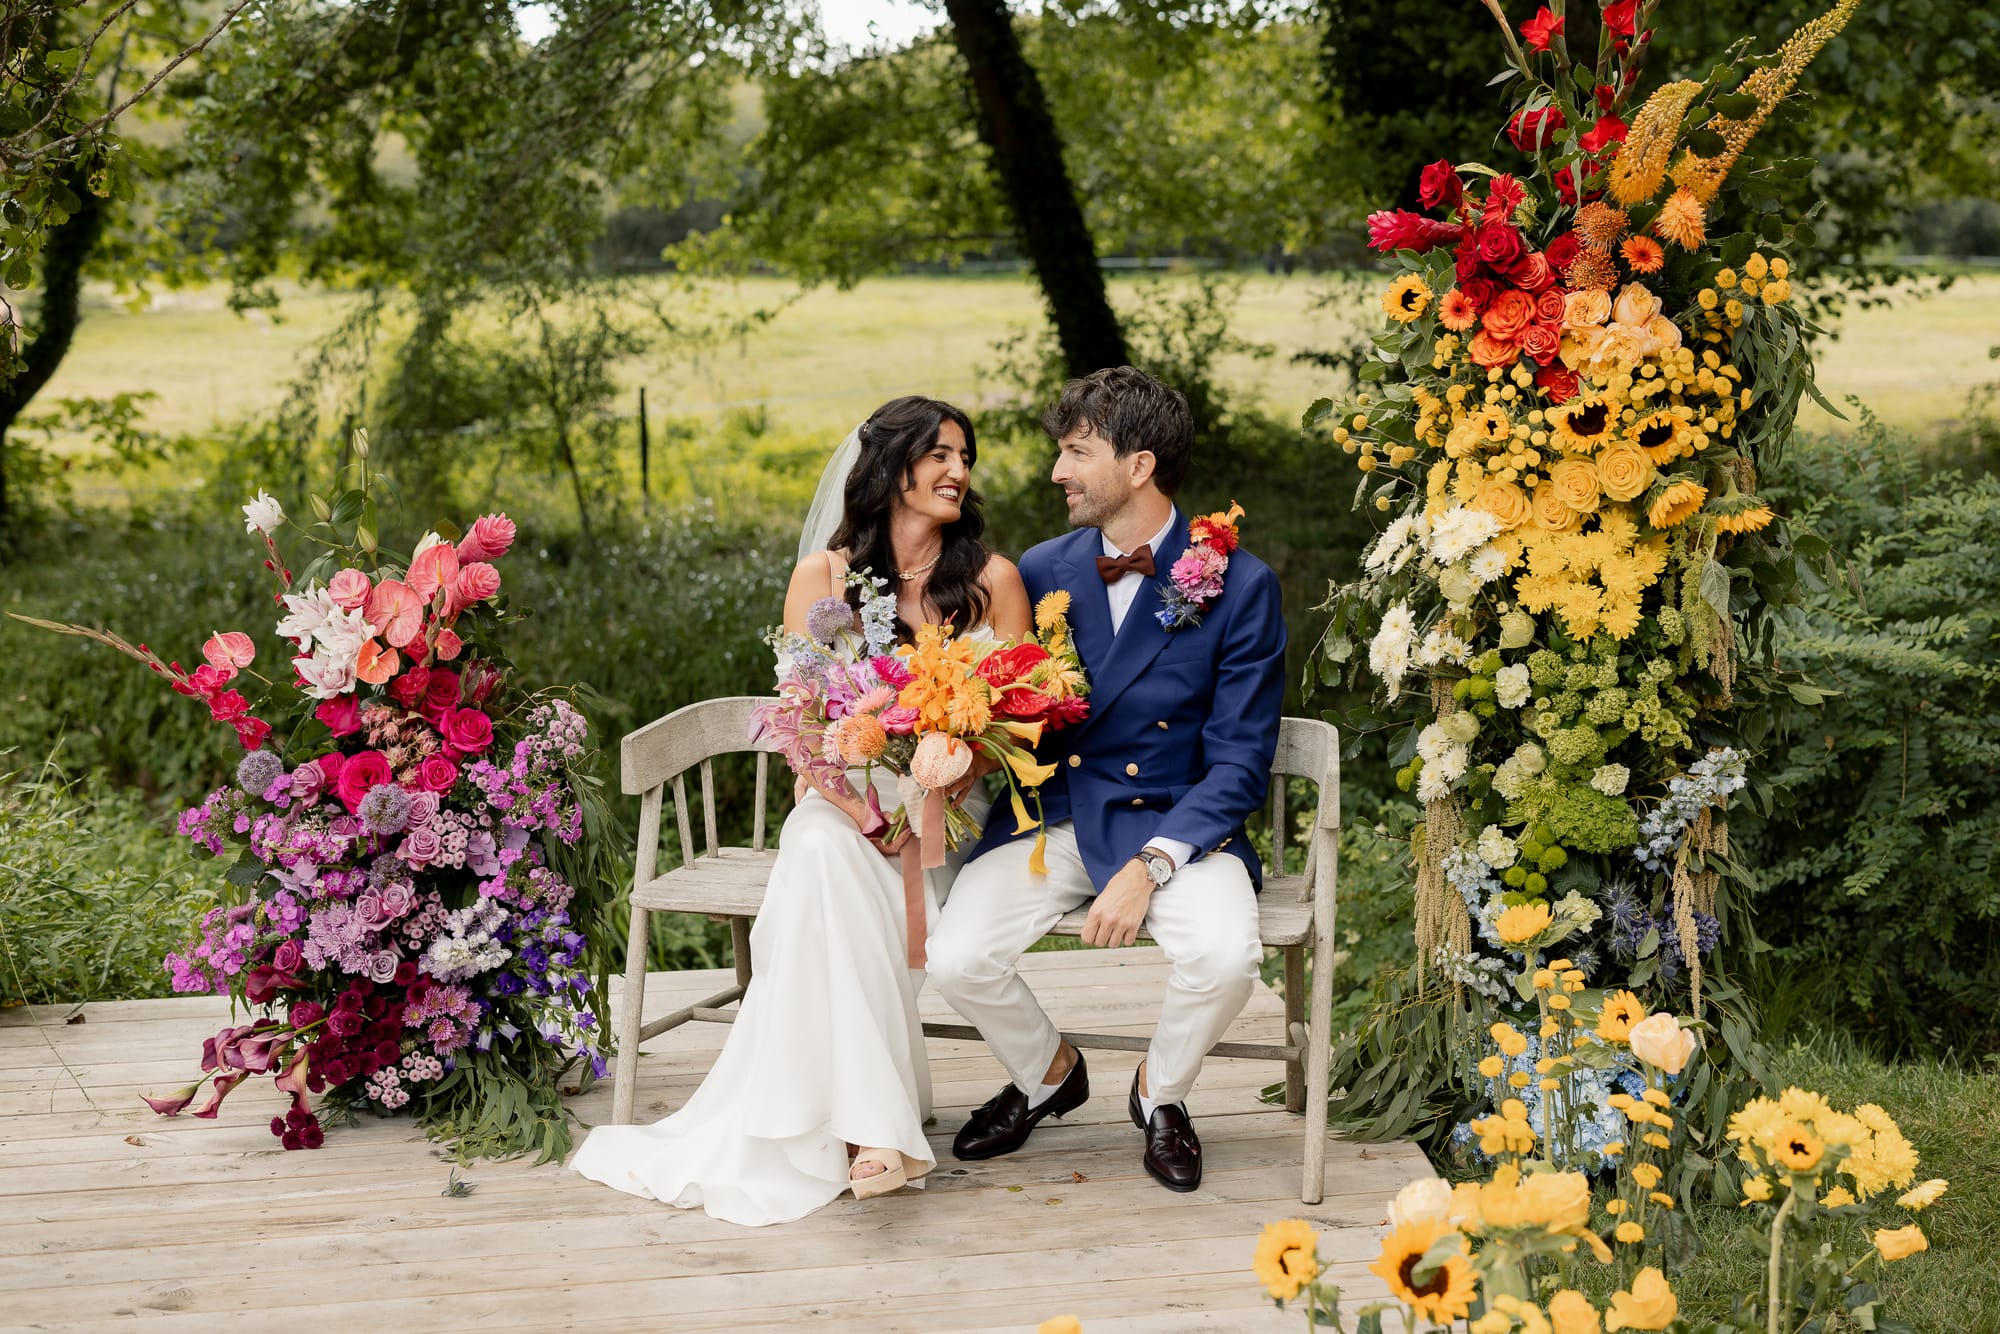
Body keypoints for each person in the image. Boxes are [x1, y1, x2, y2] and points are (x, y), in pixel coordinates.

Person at [569, 395, 1032, 1226]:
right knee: (820, 850)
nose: (958, 472)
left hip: (943, 821)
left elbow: (1019, 718)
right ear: (893, 468)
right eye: (940, 455)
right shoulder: (824, 580)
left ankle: (866, 1129)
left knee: (820, 879)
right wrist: (861, 811)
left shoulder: (991, 581)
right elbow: (802, 726)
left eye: (965, 457)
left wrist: (943, 779)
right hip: (843, 804)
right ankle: (870, 1135)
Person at [926, 366, 1287, 1193]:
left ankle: (1161, 1094)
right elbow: (999, 699)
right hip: (1057, 817)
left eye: (1077, 452)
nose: (1058, 472)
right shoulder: (1041, 568)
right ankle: (1049, 1073)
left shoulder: (1240, 584)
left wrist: (1150, 866)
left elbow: (1238, 764)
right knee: (955, 957)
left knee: (1228, 958)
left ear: (1139, 465)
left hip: (1181, 827)